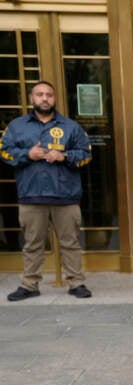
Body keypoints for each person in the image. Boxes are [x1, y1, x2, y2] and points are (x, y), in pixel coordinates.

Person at [1, 80, 93, 302]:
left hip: (66, 196)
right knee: (32, 244)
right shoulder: (17, 126)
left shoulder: (71, 127)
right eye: (40, 94)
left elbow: (86, 154)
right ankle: (29, 284)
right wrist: (27, 155)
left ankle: (76, 283)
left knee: (70, 243)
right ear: (32, 98)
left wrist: (65, 156)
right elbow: (4, 152)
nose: (44, 99)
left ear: (54, 99)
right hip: (31, 196)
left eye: (49, 95)